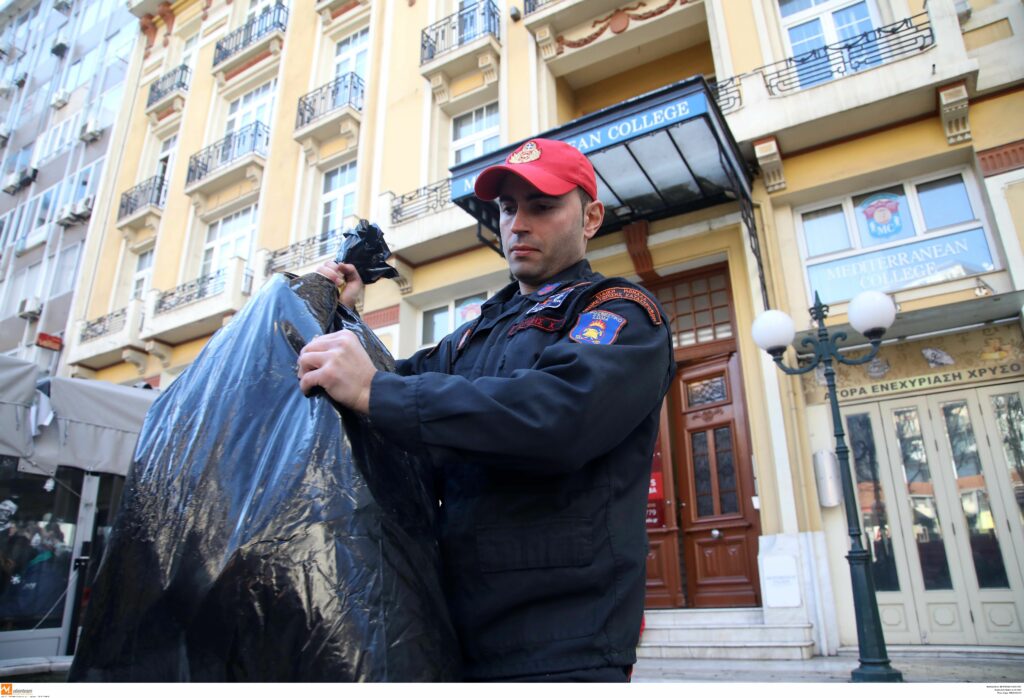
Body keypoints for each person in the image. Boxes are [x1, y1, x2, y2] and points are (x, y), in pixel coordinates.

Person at [298, 138, 675, 682]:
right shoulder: (477, 331)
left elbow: (557, 417)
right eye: (506, 208)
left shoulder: (618, 311)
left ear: (591, 218)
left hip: (561, 648)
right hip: (451, 633)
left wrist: (376, 392)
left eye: (542, 207)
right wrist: (349, 316)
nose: (518, 223)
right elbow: (390, 381)